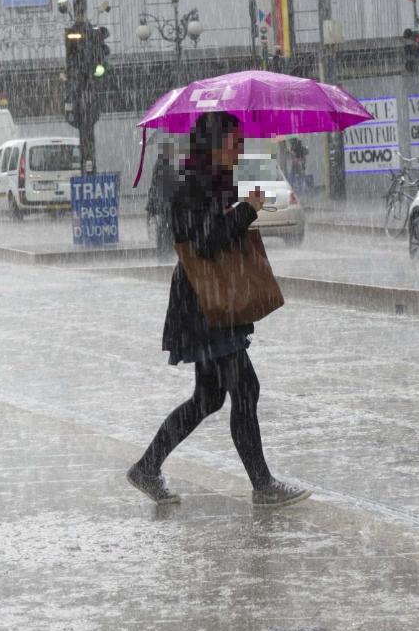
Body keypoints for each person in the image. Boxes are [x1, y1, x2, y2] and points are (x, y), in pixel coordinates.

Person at [126, 111, 310, 508]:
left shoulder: (212, 182)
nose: (239, 149)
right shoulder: (192, 186)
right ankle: (263, 486)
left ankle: (147, 466)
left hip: (208, 303)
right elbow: (207, 243)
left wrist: (242, 206)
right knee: (244, 389)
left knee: (209, 397)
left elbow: (215, 234)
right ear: (212, 145)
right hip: (204, 306)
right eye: (233, 142)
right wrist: (246, 211)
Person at [147, 143, 176, 257]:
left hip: (163, 203)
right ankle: (165, 253)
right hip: (164, 204)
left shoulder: (161, 163)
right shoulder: (164, 165)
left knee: (164, 228)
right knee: (166, 228)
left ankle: (164, 253)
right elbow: (166, 185)